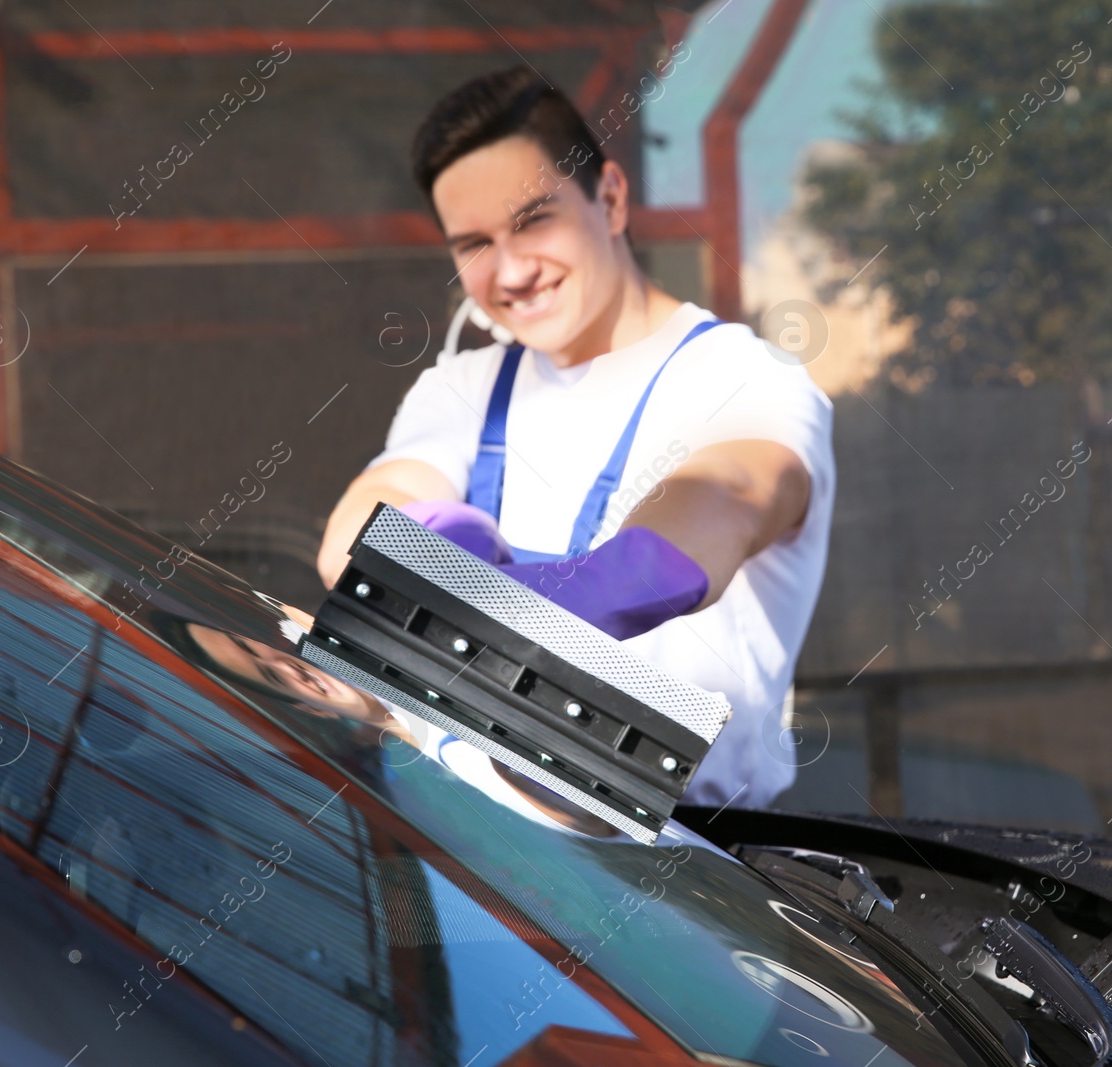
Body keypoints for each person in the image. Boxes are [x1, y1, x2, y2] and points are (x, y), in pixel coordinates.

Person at [316, 66, 834, 809]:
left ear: (612, 199)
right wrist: (438, 535)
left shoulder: (748, 379)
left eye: (534, 220)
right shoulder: (464, 386)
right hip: (449, 833)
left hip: (669, 872)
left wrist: (465, 595)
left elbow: (713, 513)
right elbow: (353, 536)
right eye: (474, 243)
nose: (512, 270)